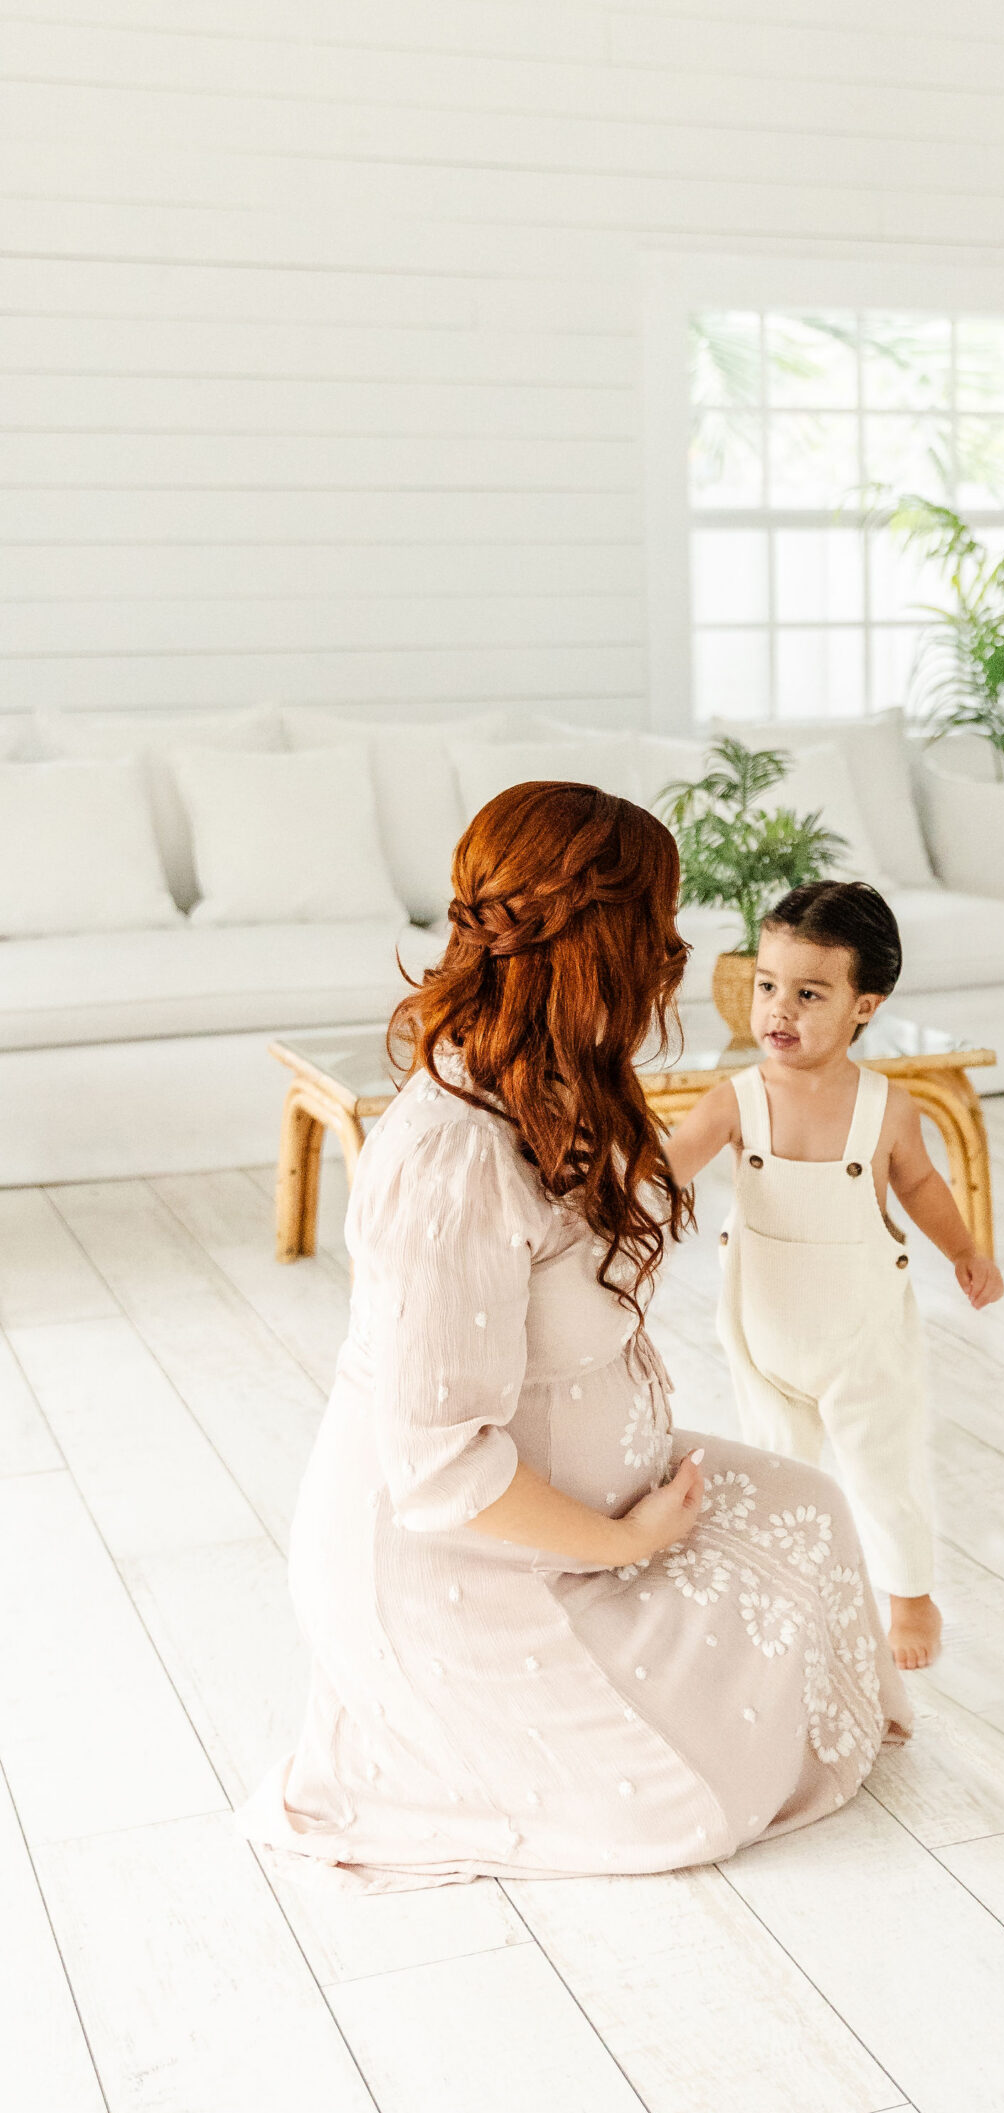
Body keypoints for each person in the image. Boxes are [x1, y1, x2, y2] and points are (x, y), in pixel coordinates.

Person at [238, 786, 910, 1891]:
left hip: (584, 1500)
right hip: (455, 1560)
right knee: (685, 1810)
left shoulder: (565, 1075)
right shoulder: (452, 1158)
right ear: (597, 943)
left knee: (812, 1510)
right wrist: (624, 1543)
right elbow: (438, 1467)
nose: (675, 954)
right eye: (658, 925)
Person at [665, 881, 1004, 1673]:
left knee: (884, 1468)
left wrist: (964, 1249)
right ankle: (781, 1584)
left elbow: (920, 1185)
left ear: (864, 1006)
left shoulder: (886, 1108)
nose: (778, 1010)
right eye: (767, 986)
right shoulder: (735, 1101)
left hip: (861, 1336)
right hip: (763, 1333)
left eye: (809, 994)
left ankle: (910, 1594)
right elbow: (663, 1172)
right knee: (773, 1467)